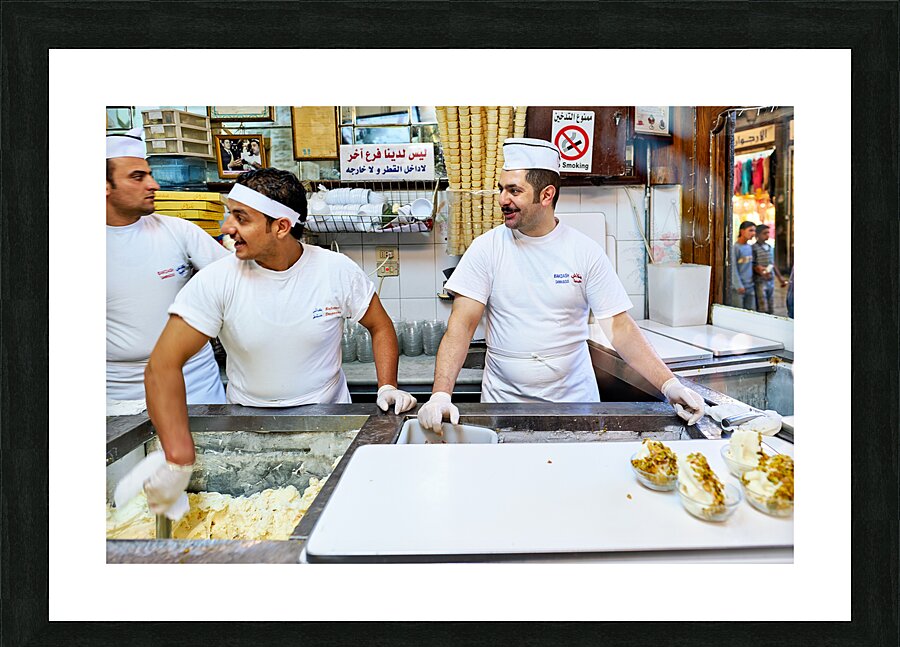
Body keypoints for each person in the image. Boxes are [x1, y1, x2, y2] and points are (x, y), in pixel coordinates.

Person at [140, 168, 416, 518]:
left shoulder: (335, 270)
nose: (227, 227)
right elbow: (162, 366)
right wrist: (177, 457)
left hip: (330, 424)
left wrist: (387, 385)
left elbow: (380, 326)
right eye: (229, 214)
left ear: (281, 226)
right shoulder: (216, 281)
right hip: (248, 430)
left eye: (241, 218)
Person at [417, 138, 706, 435]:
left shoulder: (584, 251)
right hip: (504, 405)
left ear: (546, 195)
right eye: (502, 189)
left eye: (514, 191)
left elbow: (620, 327)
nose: (503, 199)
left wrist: (669, 385)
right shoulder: (485, 249)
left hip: (574, 404)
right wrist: (440, 394)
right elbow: (461, 327)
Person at [106, 128, 227, 407]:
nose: (154, 185)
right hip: (118, 391)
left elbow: (236, 279)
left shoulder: (178, 231)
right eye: (138, 177)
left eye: (149, 174)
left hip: (194, 382)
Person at [751, 224, 788, 314]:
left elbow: (772, 264)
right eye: (764, 233)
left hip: (770, 280)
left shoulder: (770, 247)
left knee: (771, 303)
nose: (767, 235)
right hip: (760, 281)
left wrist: (780, 278)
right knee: (762, 304)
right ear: (757, 235)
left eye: (768, 233)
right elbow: (753, 264)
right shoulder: (753, 248)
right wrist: (761, 272)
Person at [731, 221, 756, 310]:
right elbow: (733, 268)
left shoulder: (749, 247)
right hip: (739, 288)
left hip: (750, 286)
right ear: (742, 231)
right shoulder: (735, 248)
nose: (753, 233)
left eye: (754, 231)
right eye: (750, 230)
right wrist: (738, 285)